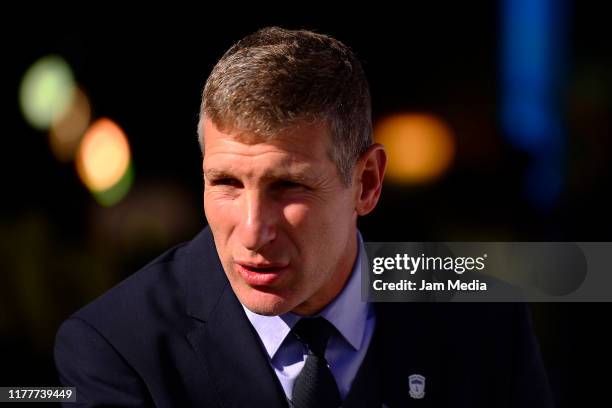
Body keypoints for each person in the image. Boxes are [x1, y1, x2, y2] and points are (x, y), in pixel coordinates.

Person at [55, 27, 554, 407]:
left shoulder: (485, 319)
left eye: (288, 186)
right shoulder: (116, 348)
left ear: (367, 183)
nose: (252, 231)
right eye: (225, 183)